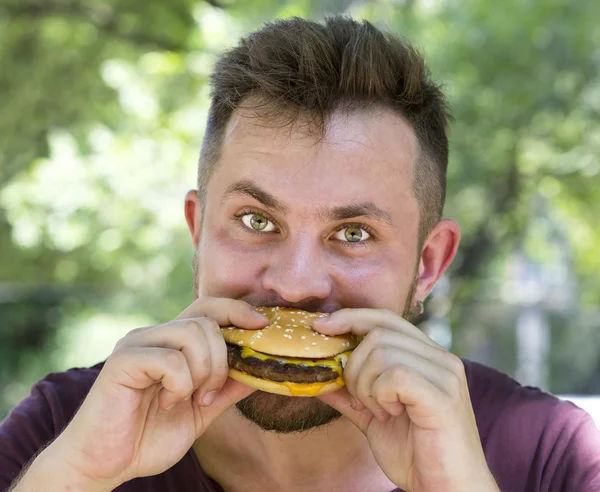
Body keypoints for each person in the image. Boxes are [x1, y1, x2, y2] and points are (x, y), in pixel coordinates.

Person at [1, 15, 599, 492]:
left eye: (354, 233)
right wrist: (78, 479)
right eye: (256, 221)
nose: (294, 285)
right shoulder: (64, 430)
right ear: (198, 231)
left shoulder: (551, 456)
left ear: (428, 264)